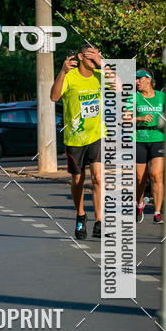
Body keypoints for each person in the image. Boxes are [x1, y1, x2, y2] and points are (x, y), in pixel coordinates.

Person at [50, 43, 112, 240]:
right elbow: (54, 96)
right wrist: (62, 71)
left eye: (97, 57)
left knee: (98, 178)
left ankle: (99, 221)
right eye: (91, 58)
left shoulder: (101, 76)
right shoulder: (70, 77)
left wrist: (103, 64)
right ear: (81, 57)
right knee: (77, 179)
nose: (94, 61)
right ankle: (81, 215)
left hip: (98, 134)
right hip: (75, 137)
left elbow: (121, 87)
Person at [134, 69, 165, 224]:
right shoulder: (134, 97)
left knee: (156, 175)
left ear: (148, 79)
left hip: (158, 138)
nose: (136, 82)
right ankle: (139, 204)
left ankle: (157, 212)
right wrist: (140, 118)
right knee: (141, 178)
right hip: (139, 139)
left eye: (138, 79)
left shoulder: (161, 96)